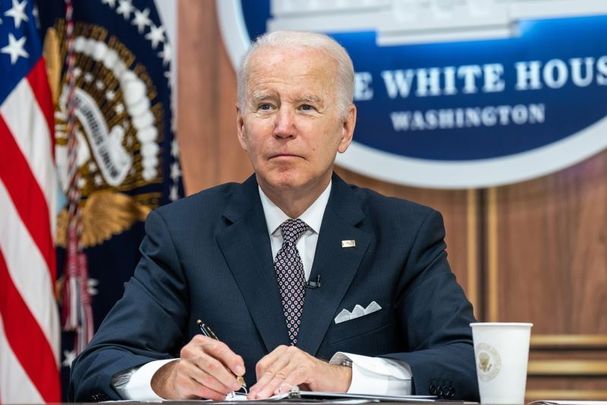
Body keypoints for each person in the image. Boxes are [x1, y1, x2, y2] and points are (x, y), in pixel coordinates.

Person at [70, 30, 479, 402]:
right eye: (266, 106)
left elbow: (468, 364)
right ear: (242, 126)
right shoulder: (183, 232)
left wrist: (341, 376)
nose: (284, 127)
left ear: (345, 128)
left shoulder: (404, 233)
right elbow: (97, 368)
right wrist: (167, 379)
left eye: (306, 107)